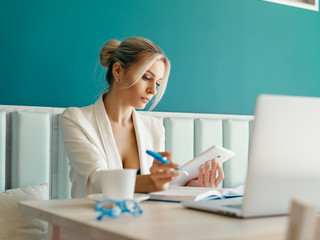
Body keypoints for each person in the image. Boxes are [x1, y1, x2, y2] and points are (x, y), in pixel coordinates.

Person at [61, 37, 224, 198]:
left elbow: (154, 189)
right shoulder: (76, 119)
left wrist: (190, 187)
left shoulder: (154, 128)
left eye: (158, 83)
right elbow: (96, 182)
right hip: (91, 219)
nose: (153, 90)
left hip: (140, 221)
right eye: (146, 77)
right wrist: (153, 182)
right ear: (118, 70)